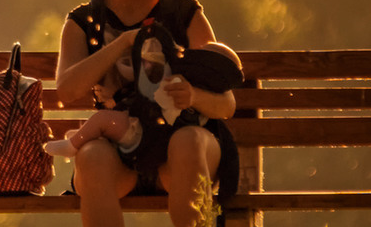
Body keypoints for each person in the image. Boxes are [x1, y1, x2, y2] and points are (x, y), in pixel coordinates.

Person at [53, 0, 239, 227]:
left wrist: (195, 95)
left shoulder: (184, 13)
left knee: (187, 142)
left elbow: (227, 104)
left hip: (185, 148)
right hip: (125, 151)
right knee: (90, 156)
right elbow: (66, 91)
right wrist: (122, 44)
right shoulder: (85, 21)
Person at [44, 41, 242, 159]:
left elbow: (154, 98)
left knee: (103, 120)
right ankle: (82, 136)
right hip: (150, 133)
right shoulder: (189, 85)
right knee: (105, 126)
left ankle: (73, 145)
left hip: (145, 133)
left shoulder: (183, 84)